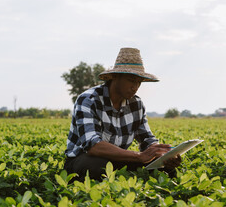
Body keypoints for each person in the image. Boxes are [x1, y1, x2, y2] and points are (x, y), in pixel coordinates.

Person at [64, 47, 181, 181]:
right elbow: (93, 146)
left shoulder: (136, 104)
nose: (135, 87)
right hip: (84, 159)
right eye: (131, 80)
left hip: (119, 159)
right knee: (97, 167)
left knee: (165, 169)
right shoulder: (89, 100)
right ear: (115, 77)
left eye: (139, 82)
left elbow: (147, 139)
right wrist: (138, 156)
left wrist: (163, 153)